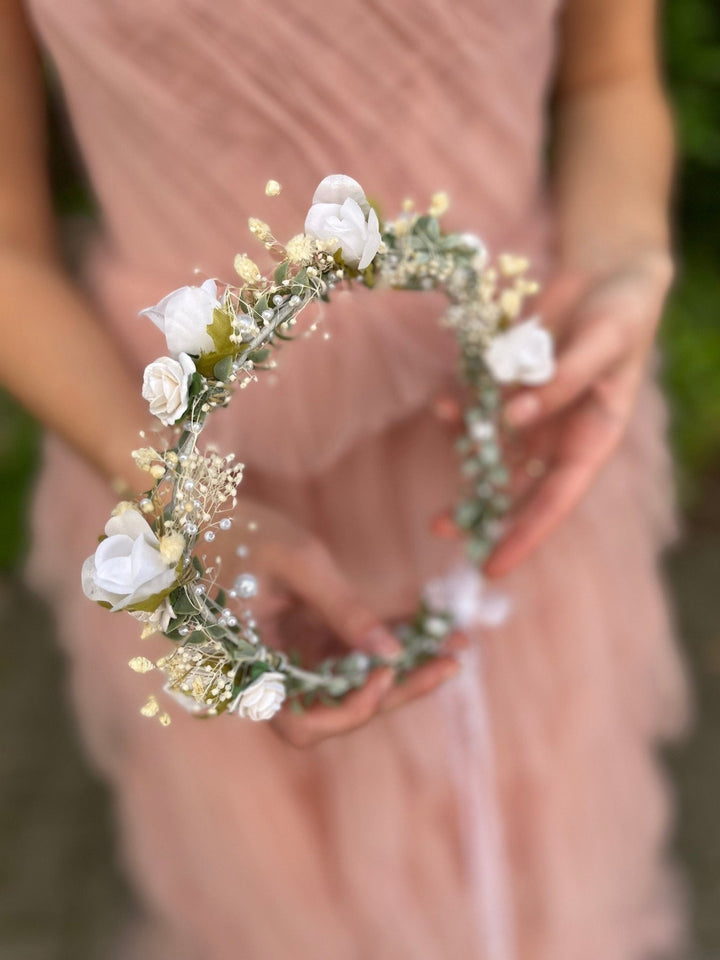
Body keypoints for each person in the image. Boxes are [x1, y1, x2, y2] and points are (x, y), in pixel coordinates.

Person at [1, 0, 689, 956]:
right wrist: (186, 502)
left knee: (549, 878)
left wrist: (623, 260)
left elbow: (606, 79)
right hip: (200, 481)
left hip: (514, 440)